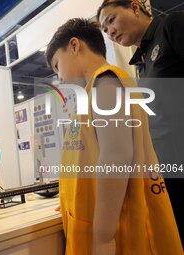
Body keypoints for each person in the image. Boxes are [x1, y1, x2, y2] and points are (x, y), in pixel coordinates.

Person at [46, 18, 182, 254]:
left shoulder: (106, 82)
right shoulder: (93, 92)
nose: (60, 79)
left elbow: (116, 157)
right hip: (102, 221)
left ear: (75, 46)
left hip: (120, 231)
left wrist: (103, 237)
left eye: (58, 66)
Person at [97, 0, 184, 243]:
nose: (110, 32)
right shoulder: (141, 62)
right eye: (105, 30)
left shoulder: (173, 25)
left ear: (135, 7)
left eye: (112, 20)